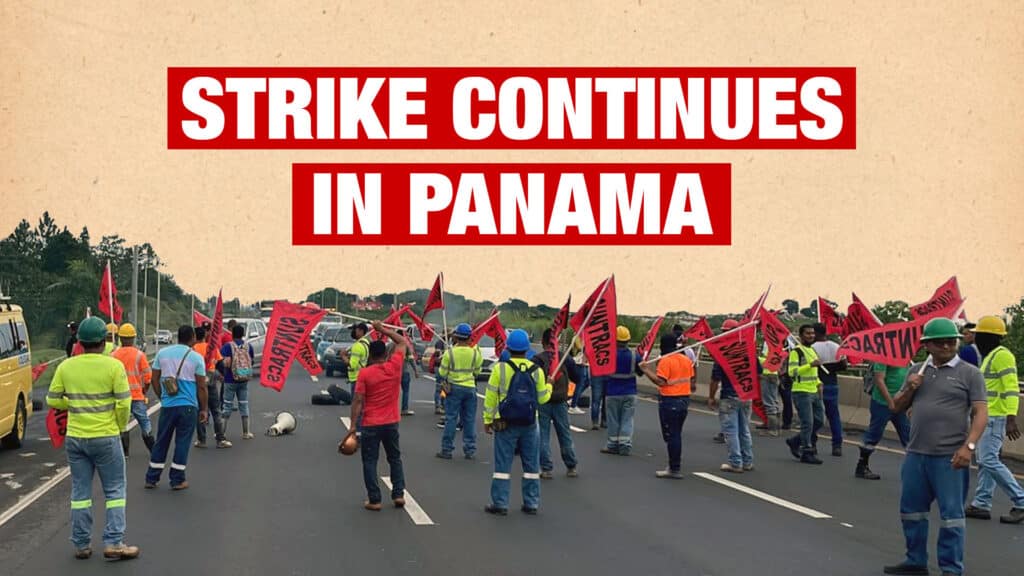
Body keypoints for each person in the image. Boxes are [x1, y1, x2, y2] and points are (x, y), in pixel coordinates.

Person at [883, 317, 987, 576]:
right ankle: (915, 560)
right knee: (912, 512)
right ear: (926, 345)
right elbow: (896, 407)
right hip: (916, 454)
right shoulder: (917, 371)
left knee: (952, 516)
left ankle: (951, 569)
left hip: (949, 457)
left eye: (951, 342)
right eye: (939, 342)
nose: (946, 346)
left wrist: (969, 447)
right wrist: (909, 388)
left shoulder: (970, 373)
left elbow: (980, 412)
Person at [47, 316, 139, 560]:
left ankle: (80, 544)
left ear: (80, 341)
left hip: (76, 438)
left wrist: (73, 404)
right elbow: (123, 402)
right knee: (115, 490)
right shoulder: (113, 366)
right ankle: (114, 542)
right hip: (106, 436)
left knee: (80, 492)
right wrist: (120, 426)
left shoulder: (66, 366)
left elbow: (52, 399)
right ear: (104, 341)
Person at [482, 329, 551, 515]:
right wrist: (549, 385)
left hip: (505, 423)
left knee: (502, 466)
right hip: (530, 423)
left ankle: (500, 504)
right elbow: (543, 399)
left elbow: (490, 397)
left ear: (508, 348)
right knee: (531, 466)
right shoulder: (536, 371)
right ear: (527, 349)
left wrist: (488, 420)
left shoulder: (500, 368)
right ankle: (531, 503)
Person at [964, 315, 1024, 524]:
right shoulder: (990, 356)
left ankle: (1021, 501)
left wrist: (1011, 418)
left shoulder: (1002, 356)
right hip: (988, 416)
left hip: (996, 417)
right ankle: (981, 503)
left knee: (988, 460)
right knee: (985, 461)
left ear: (989, 337)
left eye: (980, 335)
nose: (976, 339)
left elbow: (1011, 388)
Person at [342, 321, 408, 511]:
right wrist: (383, 330)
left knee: (370, 461)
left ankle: (375, 499)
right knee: (394, 458)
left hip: (371, 423)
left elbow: (357, 401)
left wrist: (353, 425)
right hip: (392, 422)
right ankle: (398, 494)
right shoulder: (394, 366)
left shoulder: (365, 373)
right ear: (386, 355)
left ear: (370, 355)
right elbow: (402, 342)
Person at [146, 325, 209, 490]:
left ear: (178, 336)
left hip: (168, 406)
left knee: (161, 441)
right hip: (188, 407)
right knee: (182, 442)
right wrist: (203, 409)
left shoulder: (162, 353)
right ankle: (177, 479)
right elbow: (202, 387)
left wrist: (162, 397)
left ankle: (151, 478)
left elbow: (154, 379)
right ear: (192, 337)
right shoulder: (196, 358)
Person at [639, 334, 694, 479]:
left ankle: (674, 468)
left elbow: (661, 382)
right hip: (684, 399)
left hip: (670, 400)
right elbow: (691, 378)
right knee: (675, 433)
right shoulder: (686, 360)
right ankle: (674, 464)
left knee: (672, 435)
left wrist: (646, 370)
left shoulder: (666, 360)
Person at [709, 320, 757, 473]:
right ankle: (748, 461)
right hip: (746, 395)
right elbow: (759, 372)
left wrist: (711, 397)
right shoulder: (748, 350)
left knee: (731, 431)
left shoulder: (722, 352)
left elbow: (715, 379)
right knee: (744, 430)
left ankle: (735, 463)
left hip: (729, 396)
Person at [532, 329, 579, 479]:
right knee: (564, 434)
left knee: (543, 436)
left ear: (543, 342)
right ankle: (571, 466)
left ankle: (546, 468)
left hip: (543, 401)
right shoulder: (564, 358)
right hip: (560, 401)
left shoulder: (537, 359)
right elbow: (577, 377)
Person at [855, 361, 912, 480]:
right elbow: (879, 380)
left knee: (909, 436)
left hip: (900, 403)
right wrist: (890, 402)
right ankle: (862, 466)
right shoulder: (883, 358)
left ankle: (915, 471)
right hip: (882, 403)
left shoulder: (905, 358)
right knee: (874, 434)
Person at [436, 323, 482, 460]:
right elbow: (477, 372)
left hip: (454, 388)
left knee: (451, 419)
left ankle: (447, 449)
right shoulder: (475, 353)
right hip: (470, 388)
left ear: (456, 337)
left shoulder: (449, 353)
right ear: (469, 337)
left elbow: (442, 372)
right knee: (469, 420)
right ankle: (470, 450)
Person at [110, 323, 154, 458]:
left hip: (119, 397)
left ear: (120, 338)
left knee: (121, 423)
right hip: (136, 396)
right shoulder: (139, 355)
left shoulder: (113, 355)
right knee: (144, 422)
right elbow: (148, 377)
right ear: (133, 338)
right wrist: (144, 390)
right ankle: (153, 449)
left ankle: (124, 452)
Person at [784, 325, 825, 465]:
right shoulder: (796, 352)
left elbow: (814, 373)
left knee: (820, 420)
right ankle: (806, 451)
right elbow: (792, 372)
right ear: (801, 336)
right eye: (807, 333)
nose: (811, 336)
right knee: (808, 422)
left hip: (814, 390)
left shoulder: (812, 350)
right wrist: (809, 365)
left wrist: (819, 382)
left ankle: (795, 440)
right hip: (801, 391)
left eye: (812, 333)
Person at [600, 326, 643, 456]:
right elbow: (641, 373)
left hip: (612, 392)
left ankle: (612, 445)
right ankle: (625, 445)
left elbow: (602, 372)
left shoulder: (608, 355)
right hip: (630, 392)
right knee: (627, 419)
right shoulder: (635, 356)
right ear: (628, 340)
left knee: (613, 420)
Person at [193, 326, 229, 449]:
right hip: (211, 381)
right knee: (216, 411)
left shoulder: (192, 349)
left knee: (201, 410)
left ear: (194, 337)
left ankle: (201, 440)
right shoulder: (212, 347)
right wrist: (222, 376)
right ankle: (220, 439)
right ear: (205, 336)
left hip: (198, 382)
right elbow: (220, 363)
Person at [812, 323, 845, 456]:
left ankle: (812, 444)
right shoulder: (836, 346)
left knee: (815, 416)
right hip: (832, 383)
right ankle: (837, 445)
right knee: (834, 416)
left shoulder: (812, 348)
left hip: (817, 384)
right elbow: (844, 365)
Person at [220, 324, 255, 440]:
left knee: (227, 406)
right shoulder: (248, 346)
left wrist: (223, 373)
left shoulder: (227, 347)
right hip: (244, 379)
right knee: (244, 405)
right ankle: (246, 432)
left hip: (230, 380)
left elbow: (225, 363)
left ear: (232, 334)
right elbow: (252, 362)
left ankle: (222, 434)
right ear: (243, 334)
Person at [567, 336, 590, 415]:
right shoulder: (577, 337)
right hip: (579, 362)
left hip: (585, 362)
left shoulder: (584, 336)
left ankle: (573, 399)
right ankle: (573, 406)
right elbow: (580, 348)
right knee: (580, 383)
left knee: (587, 382)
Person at [400, 328, 418, 416]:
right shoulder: (405, 346)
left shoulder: (390, 346)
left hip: (393, 373)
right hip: (404, 372)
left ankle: (390, 409)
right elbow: (411, 359)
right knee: (405, 391)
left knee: (392, 392)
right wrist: (415, 371)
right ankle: (404, 409)